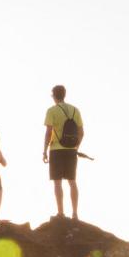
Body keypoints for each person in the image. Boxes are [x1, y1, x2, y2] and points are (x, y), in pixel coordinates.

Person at [42, 84, 84, 220]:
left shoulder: (52, 111)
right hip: (71, 150)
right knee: (72, 181)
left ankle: (60, 212)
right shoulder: (75, 110)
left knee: (57, 182)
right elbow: (81, 132)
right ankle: (75, 213)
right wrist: (76, 147)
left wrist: (44, 150)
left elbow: (48, 132)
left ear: (54, 96)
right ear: (64, 95)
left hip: (56, 149)